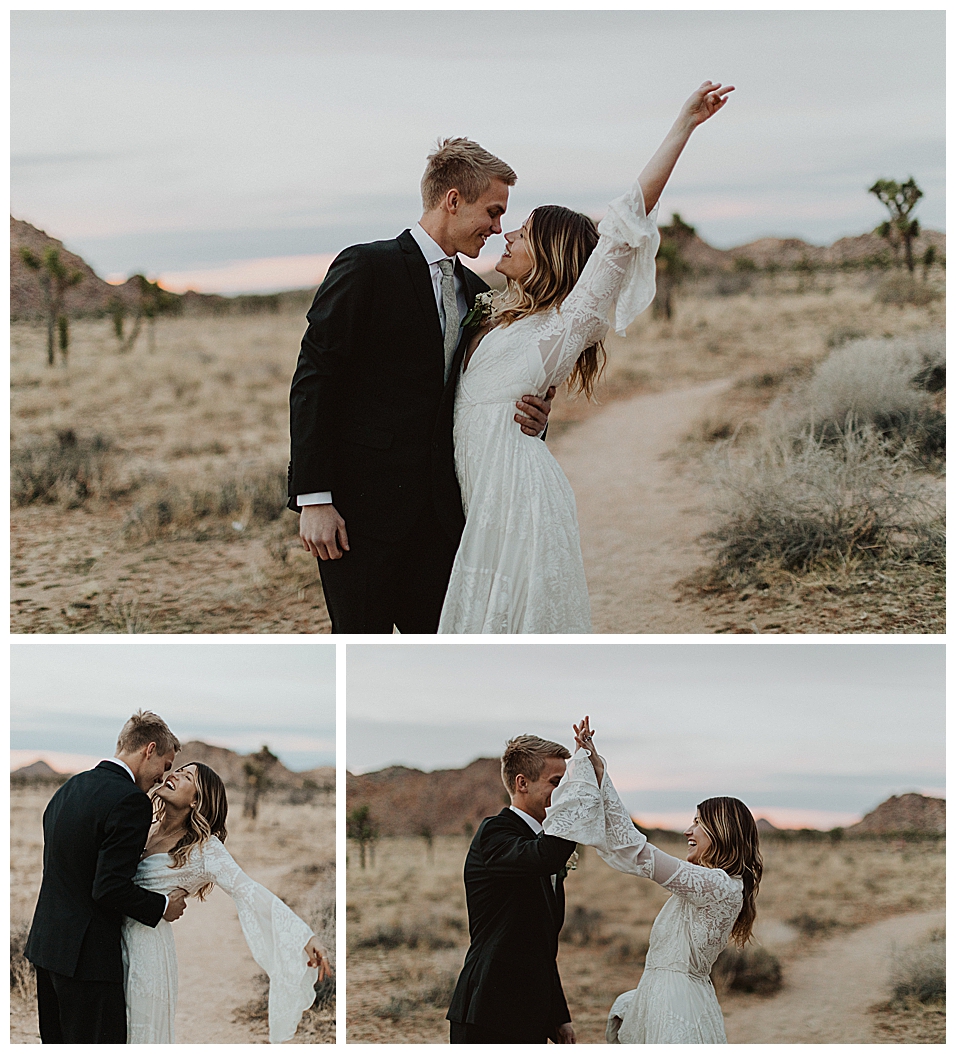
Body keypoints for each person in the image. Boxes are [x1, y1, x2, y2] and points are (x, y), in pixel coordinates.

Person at [437, 81, 734, 633]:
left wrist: (683, 126)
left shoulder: (564, 327)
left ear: (549, 253)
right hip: (476, 498)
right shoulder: (488, 313)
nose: (506, 237)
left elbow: (623, 230)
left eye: (521, 234)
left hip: (521, 502)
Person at [288, 138, 554, 633]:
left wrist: (534, 417)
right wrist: (314, 498)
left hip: (441, 521)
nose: (498, 229)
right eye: (493, 212)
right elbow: (314, 380)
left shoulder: (477, 293)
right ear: (453, 200)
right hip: (358, 519)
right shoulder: (366, 267)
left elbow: (488, 385)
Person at [543, 716, 763, 1044]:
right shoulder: (712, 885)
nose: (689, 831)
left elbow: (639, 854)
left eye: (698, 823)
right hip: (664, 1000)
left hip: (679, 1011)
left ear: (721, 833)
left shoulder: (718, 886)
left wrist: (601, 776)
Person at [123, 760, 331, 1042]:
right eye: (178, 770)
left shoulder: (205, 849)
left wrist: (304, 937)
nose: (174, 774)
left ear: (197, 801)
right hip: (110, 941)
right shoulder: (143, 826)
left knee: (138, 1031)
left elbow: (249, 890)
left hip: (147, 950)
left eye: (186, 777)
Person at [25, 710, 188, 1043]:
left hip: (47, 949)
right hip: (89, 962)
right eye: (165, 765)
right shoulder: (131, 802)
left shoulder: (68, 790)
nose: (162, 777)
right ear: (149, 749)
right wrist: (161, 907)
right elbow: (109, 888)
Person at [446, 735, 578, 1044]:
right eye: (556, 783)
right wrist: (576, 808)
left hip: (528, 1014)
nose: (562, 794)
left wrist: (558, 1016)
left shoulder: (542, 843)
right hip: (489, 1013)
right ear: (522, 783)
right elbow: (545, 856)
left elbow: (541, 946)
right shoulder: (495, 832)